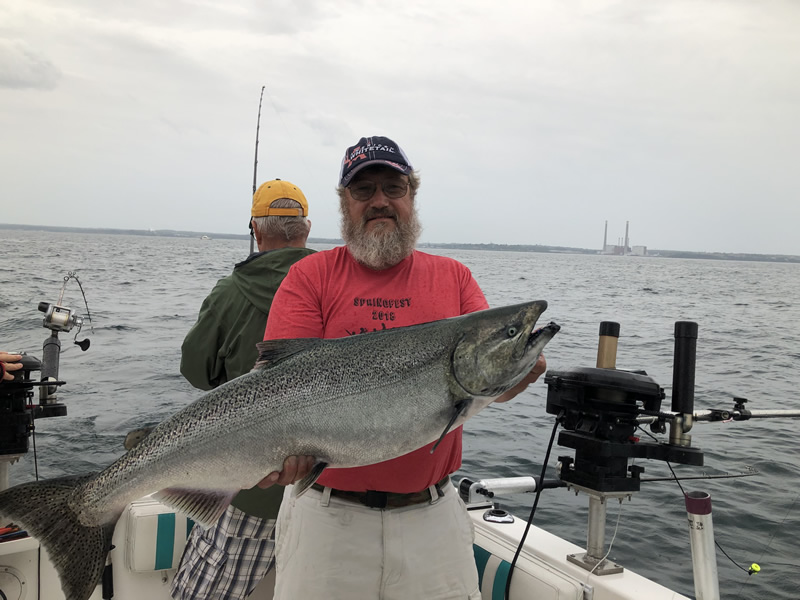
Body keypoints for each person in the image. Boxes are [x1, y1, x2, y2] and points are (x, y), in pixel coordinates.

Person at [262, 136, 547, 599]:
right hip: (326, 523)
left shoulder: (454, 277)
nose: (380, 202)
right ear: (344, 203)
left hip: (431, 521)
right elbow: (277, 385)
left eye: (393, 188)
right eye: (364, 190)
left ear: (411, 197)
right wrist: (284, 452)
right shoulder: (309, 277)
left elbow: (485, 382)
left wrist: (518, 369)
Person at [170, 179, 316, 600]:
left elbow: (196, 370)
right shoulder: (336, 289)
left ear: (255, 229)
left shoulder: (231, 292)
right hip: (327, 496)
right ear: (306, 229)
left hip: (251, 486)